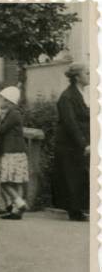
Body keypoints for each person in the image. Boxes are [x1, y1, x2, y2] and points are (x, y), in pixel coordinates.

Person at [53, 63, 90, 221]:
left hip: (80, 142)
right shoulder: (67, 96)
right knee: (71, 176)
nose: (90, 76)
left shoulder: (83, 93)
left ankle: (80, 208)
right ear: (77, 77)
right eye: (87, 73)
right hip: (69, 144)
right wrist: (83, 143)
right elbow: (70, 123)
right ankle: (74, 210)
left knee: (79, 174)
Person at [0, 86, 29, 220]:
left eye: (2, 98)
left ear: (8, 101)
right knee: (17, 182)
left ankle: (19, 202)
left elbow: (1, 130)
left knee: (4, 181)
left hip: (11, 151)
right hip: (18, 151)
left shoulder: (13, 114)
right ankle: (16, 210)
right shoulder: (14, 113)